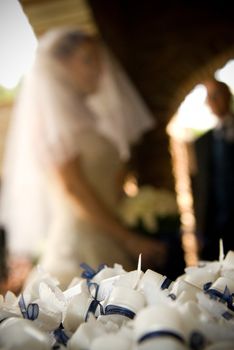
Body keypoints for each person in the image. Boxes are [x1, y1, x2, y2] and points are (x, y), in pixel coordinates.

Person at [0, 27, 167, 288]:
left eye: (99, 59)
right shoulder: (50, 123)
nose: (99, 69)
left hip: (110, 235)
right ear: (60, 66)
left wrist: (139, 215)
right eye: (88, 60)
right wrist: (129, 239)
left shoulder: (92, 120)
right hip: (80, 247)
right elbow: (73, 188)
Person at [189, 78, 234, 261]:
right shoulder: (201, 142)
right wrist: (199, 228)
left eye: (217, 95)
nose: (213, 101)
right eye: (209, 97)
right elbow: (200, 186)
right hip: (215, 225)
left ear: (228, 96)